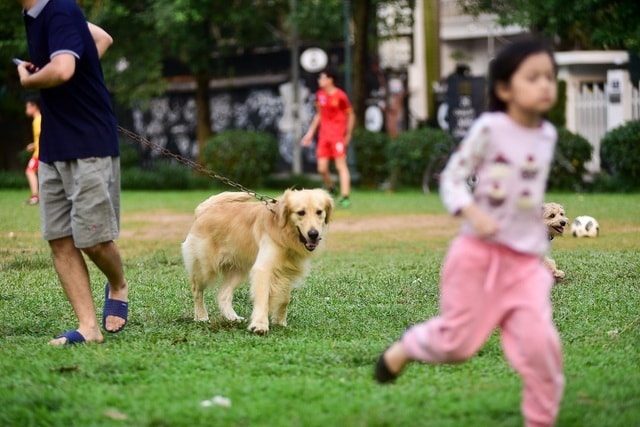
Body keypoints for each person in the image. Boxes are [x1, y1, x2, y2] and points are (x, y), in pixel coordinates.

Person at [374, 38, 565, 427]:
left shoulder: (547, 136)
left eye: (550, 76)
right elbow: (453, 179)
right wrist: (472, 212)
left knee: (541, 348)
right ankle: (408, 346)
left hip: (525, 265)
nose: (545, 84)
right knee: (458, 345)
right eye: (533, 77)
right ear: (504, 89)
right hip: (476, 256)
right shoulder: (488, 129)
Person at [17, 0, 129, 346]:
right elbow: (102, 38)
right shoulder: (36, 17)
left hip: (88, 143)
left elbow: (64, 70)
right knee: (60, 238)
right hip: (53, 144)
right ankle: (88, 326)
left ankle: (119, 285)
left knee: (93, 239)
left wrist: (29, 78)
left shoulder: (60, 9)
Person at [302, 68, 355, 208]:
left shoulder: (341, 96)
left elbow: (351, 115)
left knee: (340, 166)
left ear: (330, 79)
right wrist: (309, 134)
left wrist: (348, 134)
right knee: (321, 169)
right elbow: (319, 115)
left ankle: (345, 197)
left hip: (337, 136)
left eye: (322, 78)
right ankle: (332, 187)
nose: (320, 80)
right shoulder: (320, 95)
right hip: (324, 136)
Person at [24, 98, 41, 205]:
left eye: (27, 107)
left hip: (39, 153)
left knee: (30, 171)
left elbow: (44, 136)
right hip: (38, 152)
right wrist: (34, 144)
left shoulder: (38, 120)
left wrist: (35, 145)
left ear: (34, 107)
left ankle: (35, 196)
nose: (26, 110)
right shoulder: (37, 120)